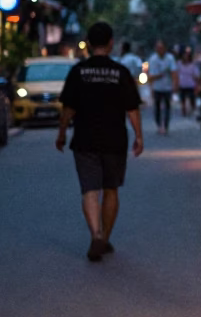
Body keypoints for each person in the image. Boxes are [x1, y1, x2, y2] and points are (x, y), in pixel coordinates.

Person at [55, 22, 144, 262]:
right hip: (115, 140)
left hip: (84, 139)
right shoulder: (120, 72)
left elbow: (68, 108)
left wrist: (62, 133)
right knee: (111, 189)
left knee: (90, 190)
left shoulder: (78, 71)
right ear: (111, 42)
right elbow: (132, 108)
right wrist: (139, 136)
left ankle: (95, 234)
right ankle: (104, 238)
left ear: (89, 42)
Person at [146, 40, 178, 135]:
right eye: (158, 48)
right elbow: (150, 75)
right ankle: (159, 125)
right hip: (157, 88)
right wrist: (151, 86)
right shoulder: (152, 59)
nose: (160, 50)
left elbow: (174, 72)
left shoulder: (170, 58)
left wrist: (175, 84)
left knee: (167, 107)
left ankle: (166, 126)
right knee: (157, 108)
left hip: (167, 87)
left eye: (161, 48)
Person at [177, 47, 201, 118]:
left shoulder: (192, 65)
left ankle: (193, 109)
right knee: (182, 99)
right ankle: (184, 110)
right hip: (182, 85)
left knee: (192, 98)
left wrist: (198, 84)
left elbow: (196, 75)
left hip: (191, 85)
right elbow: (175, 74)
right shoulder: (179, 64)